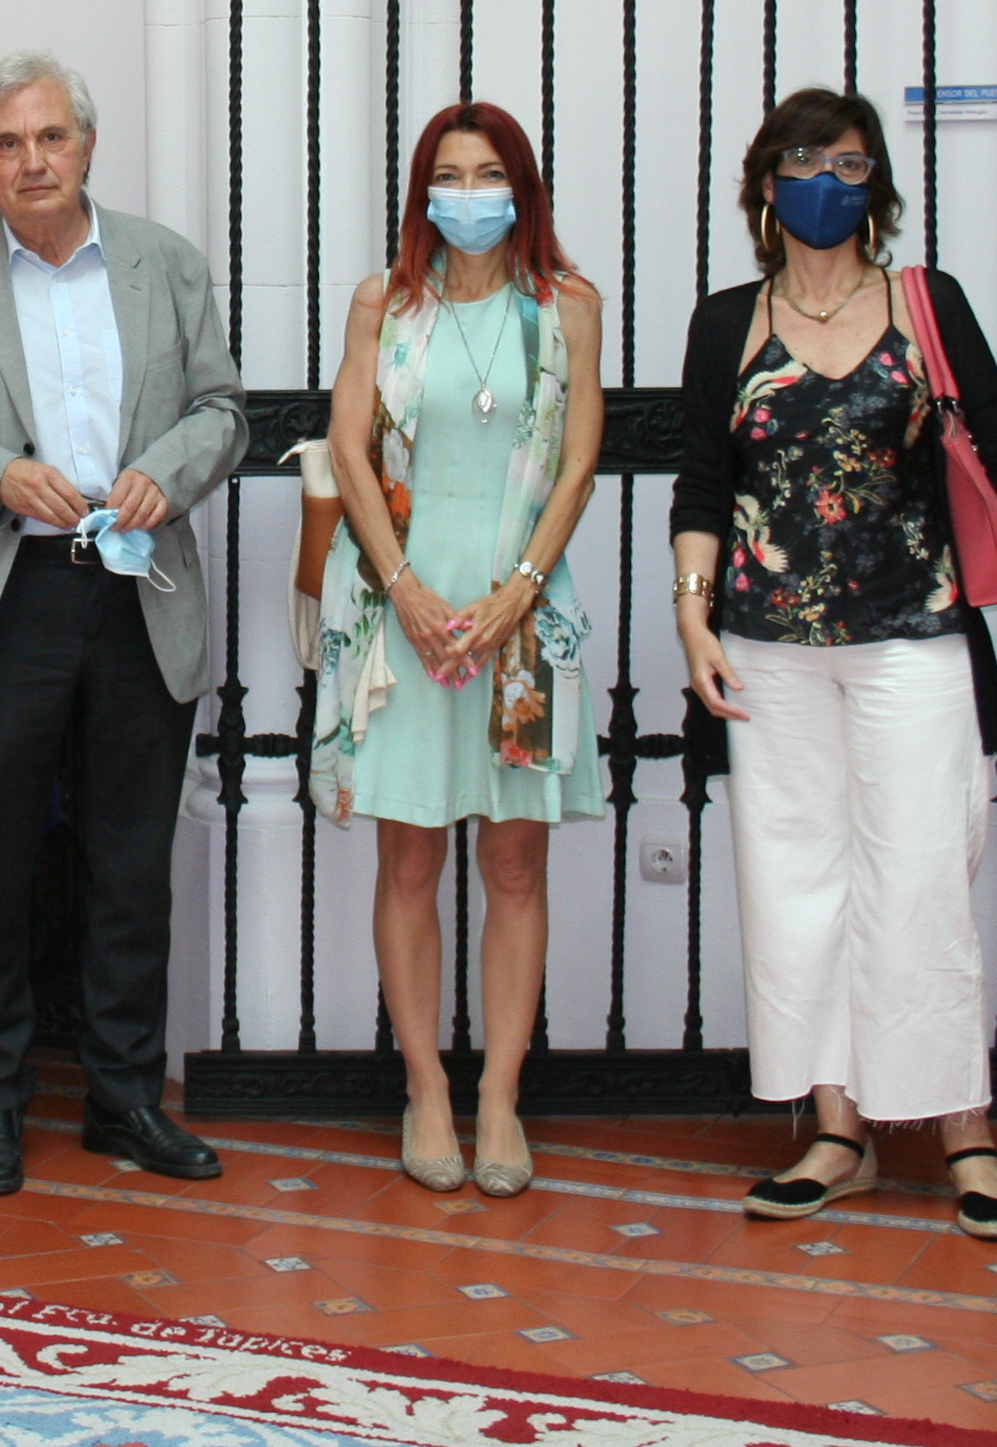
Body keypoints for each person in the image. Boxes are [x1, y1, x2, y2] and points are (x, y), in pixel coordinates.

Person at [669, 87, 997, 1242]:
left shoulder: (925, 304)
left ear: (877, 185)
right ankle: (838, 1128)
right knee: (795, 887)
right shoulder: (725, 323)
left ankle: (965, 1132)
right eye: (803, 160)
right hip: (769, 649)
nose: (824, 181)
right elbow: (705, 484)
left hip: (912, 638)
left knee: (920, 875)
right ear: (766, 185)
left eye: (848, 163)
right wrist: (693, 617)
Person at [0, 51, 247, 1199]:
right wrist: (0, 474)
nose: (30, 161)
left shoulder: (165, 265)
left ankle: (126, 1098)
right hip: (5, 592)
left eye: (50, 138)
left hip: (140, 586)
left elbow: (222, 410)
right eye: (5, 143)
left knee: (131, 865)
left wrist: (165, 475)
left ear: (87, 146)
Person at [311, 103, 605, 1196]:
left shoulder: (567, 307)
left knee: (516, 860)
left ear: (522, 190)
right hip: (405, 611)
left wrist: (515, 591)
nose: (469, 194)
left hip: (519, 614)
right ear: (420, 191)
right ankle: (427, 1086)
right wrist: (407, 590)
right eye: (449, 174)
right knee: (410, 856)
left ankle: (500, 1097)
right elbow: (348, 448)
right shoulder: (383, 304)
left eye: (489, 175)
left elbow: (577, 465)